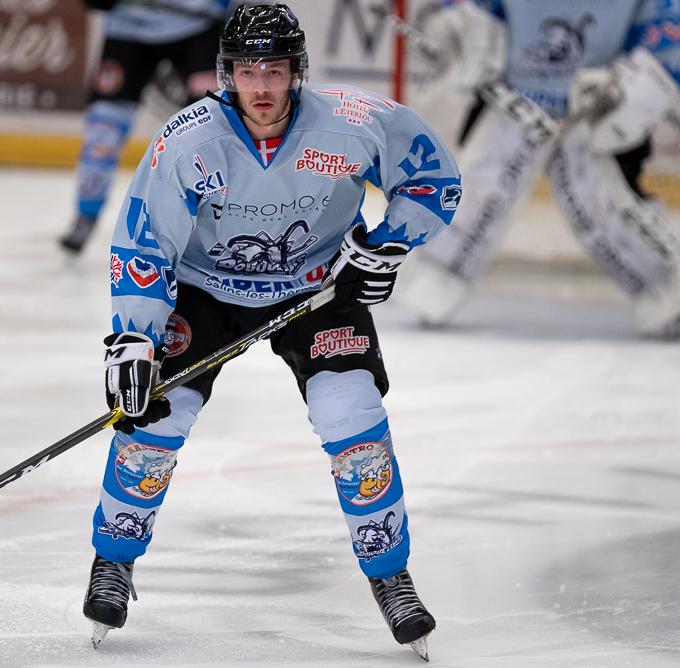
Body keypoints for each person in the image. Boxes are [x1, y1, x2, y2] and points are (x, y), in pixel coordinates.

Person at [81, 3, 463, 660]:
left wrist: (388, 244)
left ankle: (390, 573)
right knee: (157, 415)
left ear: (297, 72)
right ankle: (114, 558)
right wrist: (136, 338)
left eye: (275, 70)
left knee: (351, 411)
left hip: (318, 288)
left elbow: (433, 177)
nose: (261, 86)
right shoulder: (189, 140)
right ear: (227, 74)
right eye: (248, 70)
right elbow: (145, 241)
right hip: (205, 290)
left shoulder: (351, 122)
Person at [394, 0, 680, 338]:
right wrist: (461, 25)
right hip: (514, 96)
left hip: (598, 100)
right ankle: (433, 275)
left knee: (600, 203)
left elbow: (666, 21)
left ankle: (668, 290)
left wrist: (650, 73)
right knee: (483, 186)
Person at [58, 0, 231, 254]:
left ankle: (211, 221)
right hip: (127, 30)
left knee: (211, 127)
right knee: (104, 130)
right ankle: (86, 214)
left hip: (198, 25)